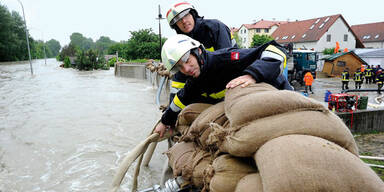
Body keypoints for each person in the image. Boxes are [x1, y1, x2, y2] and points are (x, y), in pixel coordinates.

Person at [155, 34, 292, 137]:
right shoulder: (195, 81)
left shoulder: (226, 58)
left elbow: (275, 50)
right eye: (179, 67)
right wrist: (164, 122)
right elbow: (179, 101)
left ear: (198, 51)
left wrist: (253, 74)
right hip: (252, 108)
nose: (186, 69)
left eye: (187, 60)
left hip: (279, 93)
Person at [166, 2, 237, 102]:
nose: (184, 21)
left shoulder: (215, 27)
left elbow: (226, 61)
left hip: (231, 84)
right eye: (178, 20)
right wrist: (172, 107)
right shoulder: (182, 42)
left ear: (193, 14)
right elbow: (179, 79)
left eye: (186, 15)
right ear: (176, 26)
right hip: (207, 89)